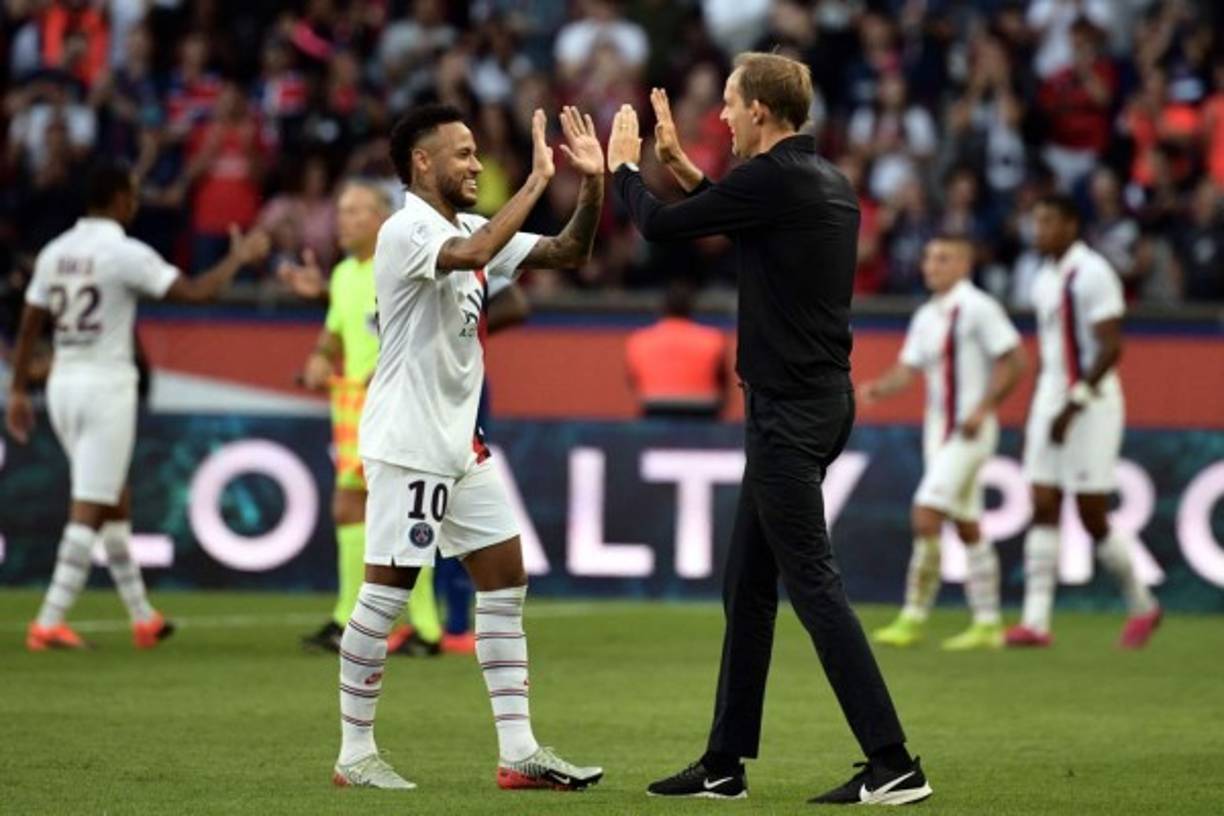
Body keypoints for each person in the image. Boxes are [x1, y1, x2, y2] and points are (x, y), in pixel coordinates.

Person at [607, 53, 932, 806]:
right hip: (814, 403)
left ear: (760, 110)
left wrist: (626, 170)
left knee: (813, 585)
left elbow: (662, 228)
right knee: (748, 585)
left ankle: (893, 761)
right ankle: (723, 764)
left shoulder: (772, 181)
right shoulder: (821, 182)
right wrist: (685, 168)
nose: (721, 115)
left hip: (788, 412)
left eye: (728, 102)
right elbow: (736, 218)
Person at [331, 103, 605, 791]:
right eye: (462, 153)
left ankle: (519, 751)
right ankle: (354, 754)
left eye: (477, 152)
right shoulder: (405, 231)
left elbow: (570, 252)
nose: (476, 163)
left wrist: (593, 182)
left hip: (461, 446)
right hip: (410, 442)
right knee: (386, 596)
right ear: (422, 162)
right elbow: (474, 258)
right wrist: (539, 179)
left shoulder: (470, 224)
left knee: (506, 583)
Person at [5, 159, 269, 651]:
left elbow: (28, 326)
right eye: (133, 194)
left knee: (111, 497)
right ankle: (49, 620)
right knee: (90, 504)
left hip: (62, 383)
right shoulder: (122, 252)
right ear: (120, 198)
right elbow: (194, 292)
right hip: (106, 385)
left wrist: (19, 389)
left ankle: (142, 615)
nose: (136, 202)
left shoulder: (55, 252)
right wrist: (237, 258)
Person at [281, 180, 444, 657]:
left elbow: (421, 331)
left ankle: (423, 627)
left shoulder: (397, 269)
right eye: (341, 210)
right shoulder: (344, 275)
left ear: (381, 219)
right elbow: (336, 333)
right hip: (354, 404)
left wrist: (386, 370)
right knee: (351, 507)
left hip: (399, 401)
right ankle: (349, 619)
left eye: (356, 211)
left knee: (401, 510)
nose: (343, 219)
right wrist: (318, 357)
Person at [1006, 194, 1162, 650]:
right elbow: (1051, 352)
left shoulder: (1093, 273)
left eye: (1049, 221)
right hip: (1051, 400)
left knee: (1091, 514)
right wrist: (1038, 409)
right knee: (1042, 501)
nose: (1040, 230)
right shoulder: (1043, 278)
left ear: (1072, 225)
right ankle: (1035, 622)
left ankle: (1144, 605)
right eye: (1036, 221)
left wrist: (1073, 404)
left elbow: (1112, 347)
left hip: (1092, 405)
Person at [858, 235, 1025, 651]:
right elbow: (908, 368)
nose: (932, 265)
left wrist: (985, 407)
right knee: (967, 524)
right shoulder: (928, 315)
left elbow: (1016, 359)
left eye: (943, 258)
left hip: (968, 433)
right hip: (939, 433)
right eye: (929, 257)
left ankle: (914, 615)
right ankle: (988, 622)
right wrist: (878, 389)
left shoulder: (978, 307)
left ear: (965, 265)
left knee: (926, 514)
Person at [625, 279, 727, 418]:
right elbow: (722, 381)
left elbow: (633, 380)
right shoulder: (713, 338)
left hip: (655, 408)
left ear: (662, 307)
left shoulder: (639, 340)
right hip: (703, 411)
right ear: (691, 307)